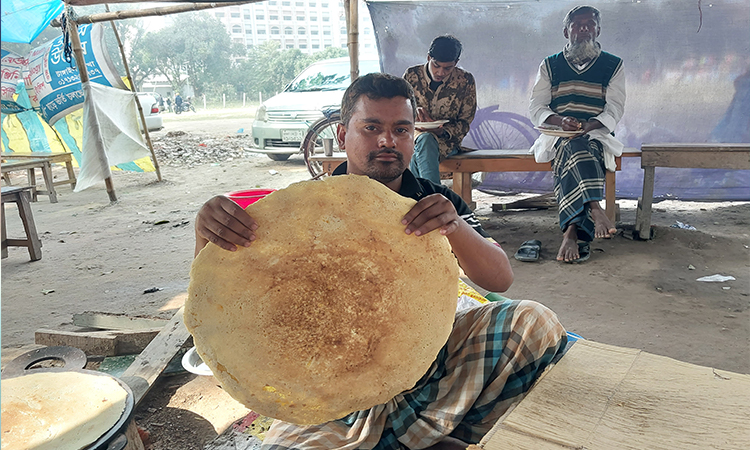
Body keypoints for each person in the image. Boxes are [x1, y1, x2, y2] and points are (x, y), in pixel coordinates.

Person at [194, 73, 566, 450]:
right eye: (371, 127)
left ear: (413, 137)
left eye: (401, 130)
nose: (388, 140)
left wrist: (454, 226)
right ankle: (426, 437)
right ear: (342, 135)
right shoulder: (303, 208)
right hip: (331, 392)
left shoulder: (434, 201)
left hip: (431, 359)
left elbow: (500, 279)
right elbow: (218, 311)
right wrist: (205, 235)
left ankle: (426, 434)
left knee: (533, 323)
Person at [529, 5, 625, 263]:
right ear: (566, 31)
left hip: (596, 135)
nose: (583, 28)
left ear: (598, 30)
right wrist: (561, 121)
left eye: (589, 24)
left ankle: (571, 232)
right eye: (577, 24)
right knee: (571, 147)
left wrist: (588, 126)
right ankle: (595, 207)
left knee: (577, 149)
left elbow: (615, 108)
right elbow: (536, 106)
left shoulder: (613, 65)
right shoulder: (550, 65)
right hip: (558, 134)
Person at [403, 35, 477, 184]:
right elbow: (396, 113)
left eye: (448, 68)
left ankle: (427, 197)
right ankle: (434, 198)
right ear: (429, 57)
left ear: (456, 63)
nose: (440, 72)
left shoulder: (465, 81)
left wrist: (442, 131)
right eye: (436, 65)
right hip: (413, 138)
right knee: (423, 141)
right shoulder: (411, 76)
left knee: (423, 146)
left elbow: (465, 122)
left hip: (446, 142)